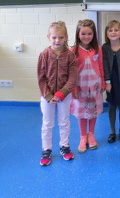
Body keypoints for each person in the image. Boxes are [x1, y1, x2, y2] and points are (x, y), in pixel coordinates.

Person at [37, 21, 77, 166]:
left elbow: (72, 78)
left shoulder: (70, 56)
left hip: (64, 96)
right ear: (49, 37)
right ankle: (46, 149)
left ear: (66, 37)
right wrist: (48, 96)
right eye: (54, 37)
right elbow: (41, 78)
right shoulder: (44, 55)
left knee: (64, 122)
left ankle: (64, 146)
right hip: (47, 96)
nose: (57, 40)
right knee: (47, 123)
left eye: (61, 37)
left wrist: (61, 93)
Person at [70, 19, 105, 153]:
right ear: (78, 34)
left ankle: (91, 135)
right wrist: (73, 88)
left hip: (95, 86)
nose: (86, 36)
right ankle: (83, 136)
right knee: (82, 113)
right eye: (83, 33)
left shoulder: (97, 49)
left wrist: (102, 82)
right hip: (80, 87)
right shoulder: (73, 50)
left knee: (92, 110)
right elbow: (72, 72)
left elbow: (100, 66)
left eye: (89, 33)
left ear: (94, 34)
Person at [102, 20, 120, 143]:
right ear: (107, 33)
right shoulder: (104, 47)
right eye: (110, 30)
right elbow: (105, 66)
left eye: (116, 30)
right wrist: (107, 82)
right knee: (112, 106)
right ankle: (112, 132)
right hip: (110, 82)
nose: (113, 32)